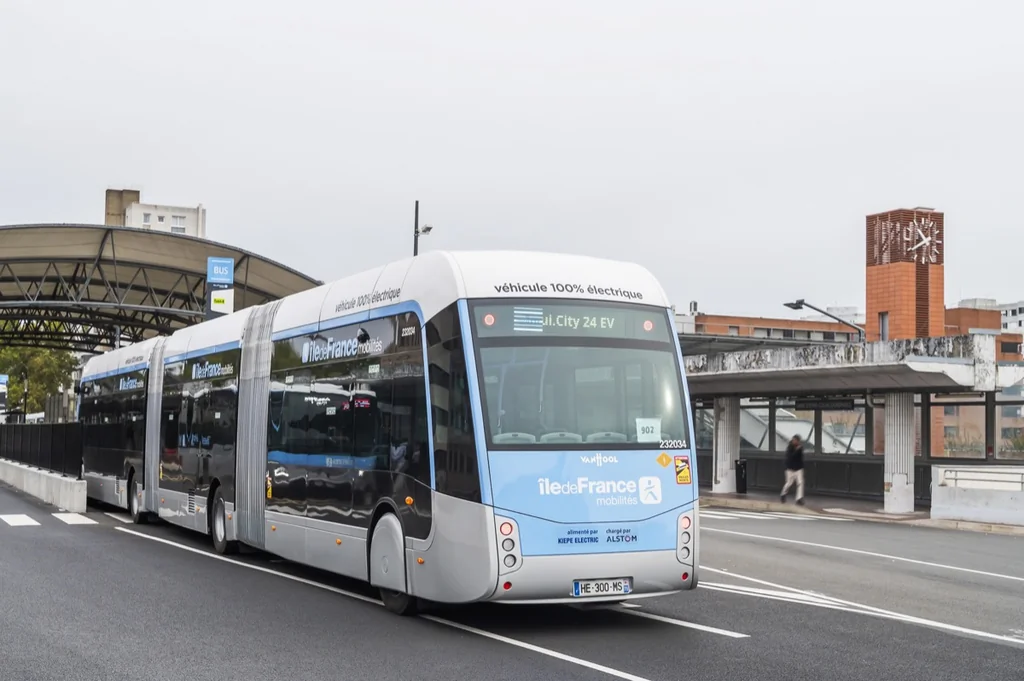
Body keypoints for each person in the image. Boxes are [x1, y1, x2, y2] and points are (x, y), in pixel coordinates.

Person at [780, 434, 805, 505]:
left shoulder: (800, 448)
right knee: (789, 482)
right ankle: (783, 494)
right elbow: (790, 457)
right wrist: (797, 450)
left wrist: (798, 450)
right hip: (790, 468)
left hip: (798, 468)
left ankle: (799, 498)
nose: (795, 442)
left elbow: (800, 458)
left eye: (796, 440)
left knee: (800, 483)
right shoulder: (789, 447)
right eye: (794, 440)